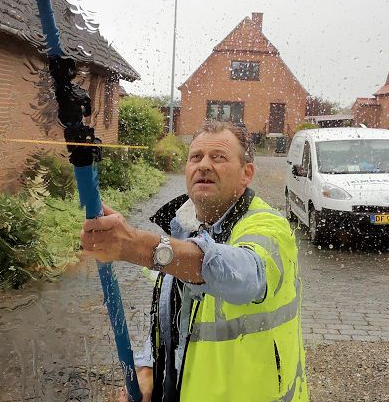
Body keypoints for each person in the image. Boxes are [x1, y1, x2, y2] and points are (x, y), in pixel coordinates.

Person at [81, 120, 308, 401]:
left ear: (246, 173)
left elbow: (242, 276)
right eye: (195, 157)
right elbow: (171, 316)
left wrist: (136, 246)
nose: (204, 165)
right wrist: (148, 366)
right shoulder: (181, 230)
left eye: (219, 157)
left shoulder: (269, 227)